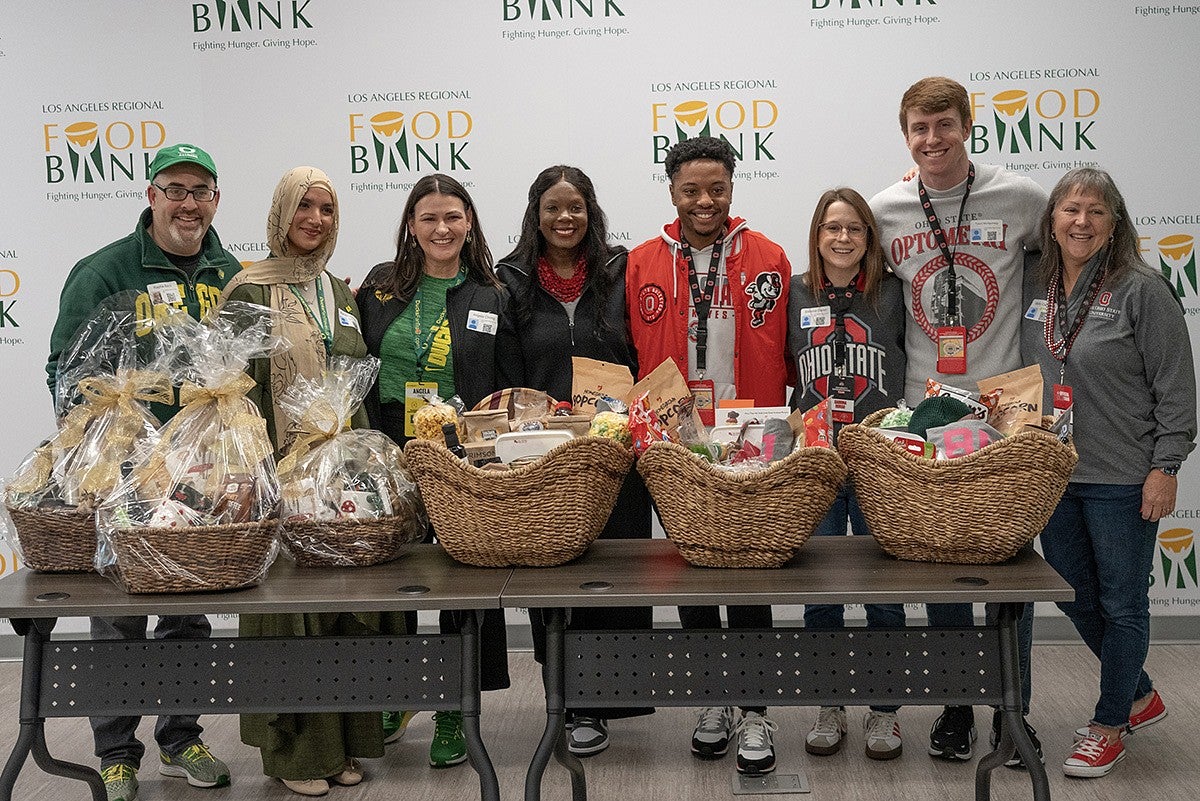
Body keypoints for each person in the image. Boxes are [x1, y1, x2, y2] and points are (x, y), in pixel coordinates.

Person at [45, 143, 239, 801]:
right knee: (120, 613)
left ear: (216, 200)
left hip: (205, 472)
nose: (189, 203)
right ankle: (115, 751)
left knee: (190, 613)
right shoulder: (104, 271)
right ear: (151, 197)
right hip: (128, 471)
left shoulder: (229, 271)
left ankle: (181, 737)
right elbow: (65, 370)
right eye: (175, 189)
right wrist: (100, 442)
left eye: (201, 190)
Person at [869, 76, 1047, 764]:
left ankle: (1016, 712)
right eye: (919, 127)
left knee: (1011, 571)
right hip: (924, 410)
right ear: (905, 133)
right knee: (942, 570)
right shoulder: (886, 208)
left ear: (968, 124)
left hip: (1005, 414)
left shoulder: (1022, 198)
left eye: (944, 124)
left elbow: (1074, 246)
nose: (932, 139)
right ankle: (955, 704)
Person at [217, 166, 401, 797]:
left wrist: (367, 468)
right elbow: (230, 392)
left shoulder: (340, 293)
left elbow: (357, 390)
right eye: (304, 206)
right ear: (280, 212)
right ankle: (297, 755)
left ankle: (345, 743)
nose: (316, 219)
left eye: (326, 208)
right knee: (289, 615)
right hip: (278, 474)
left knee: (346, 610)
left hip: (338, 478)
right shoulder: (248, 289)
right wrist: (252, 473)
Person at [625, 136, 792, 775]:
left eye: (716, 189)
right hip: (674, 443)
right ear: (671, 191)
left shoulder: (769, 257)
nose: (704, 201)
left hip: (749, 441)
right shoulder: (641, 262)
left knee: (747, 577)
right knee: (691, 575)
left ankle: (756, 712)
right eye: (690, 190)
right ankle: (713, 700)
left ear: (732, 188)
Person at [1021, 167, 1195, 778]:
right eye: (1070, 210)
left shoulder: (1140, 289)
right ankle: (1140, 692)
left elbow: (1176, 387)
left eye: (1096, 211)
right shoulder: (1037, 286)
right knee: (1071, 592)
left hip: (1124, 475)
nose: (1081, 222)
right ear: (1052, 220)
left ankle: (1109, 721)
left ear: (1114, 222)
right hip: (1056, 474)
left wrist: (1165, 466)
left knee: (1123, 606)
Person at [495, 165, 654, 757]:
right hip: (546, 461)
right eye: (553, 208)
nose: (566, 218)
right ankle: (566, 701)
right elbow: (508, 375)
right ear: (535, 214)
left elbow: (643, 354)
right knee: (555, 580)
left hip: (615, 457)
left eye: (577, 207)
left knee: (611, 575)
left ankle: (604, 698)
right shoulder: (509, 282)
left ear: (592, 213)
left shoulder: (622, 274)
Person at [357, 173, 511, 770]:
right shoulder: (379, 289)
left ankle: (455, 709)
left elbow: (507, 383)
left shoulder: (493, 296)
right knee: (395, 579)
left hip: (465, 452)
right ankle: (397, 696)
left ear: (469, 222)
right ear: (411, 227)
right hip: (389, 445)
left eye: (452, 217)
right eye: (428, 219)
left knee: (458, 584)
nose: (441, 229)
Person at [787, 188, 907, 761]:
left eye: (854, 228)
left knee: (885, 591)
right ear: (816, 235)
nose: (842, 238)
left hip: (880, 458)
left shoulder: (893, 293)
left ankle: (885, 712)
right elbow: (787, 368)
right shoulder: (797, 292)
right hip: (819, 458)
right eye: (831, 227)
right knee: (822, 592)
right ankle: (829, 702)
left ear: (870, 236)